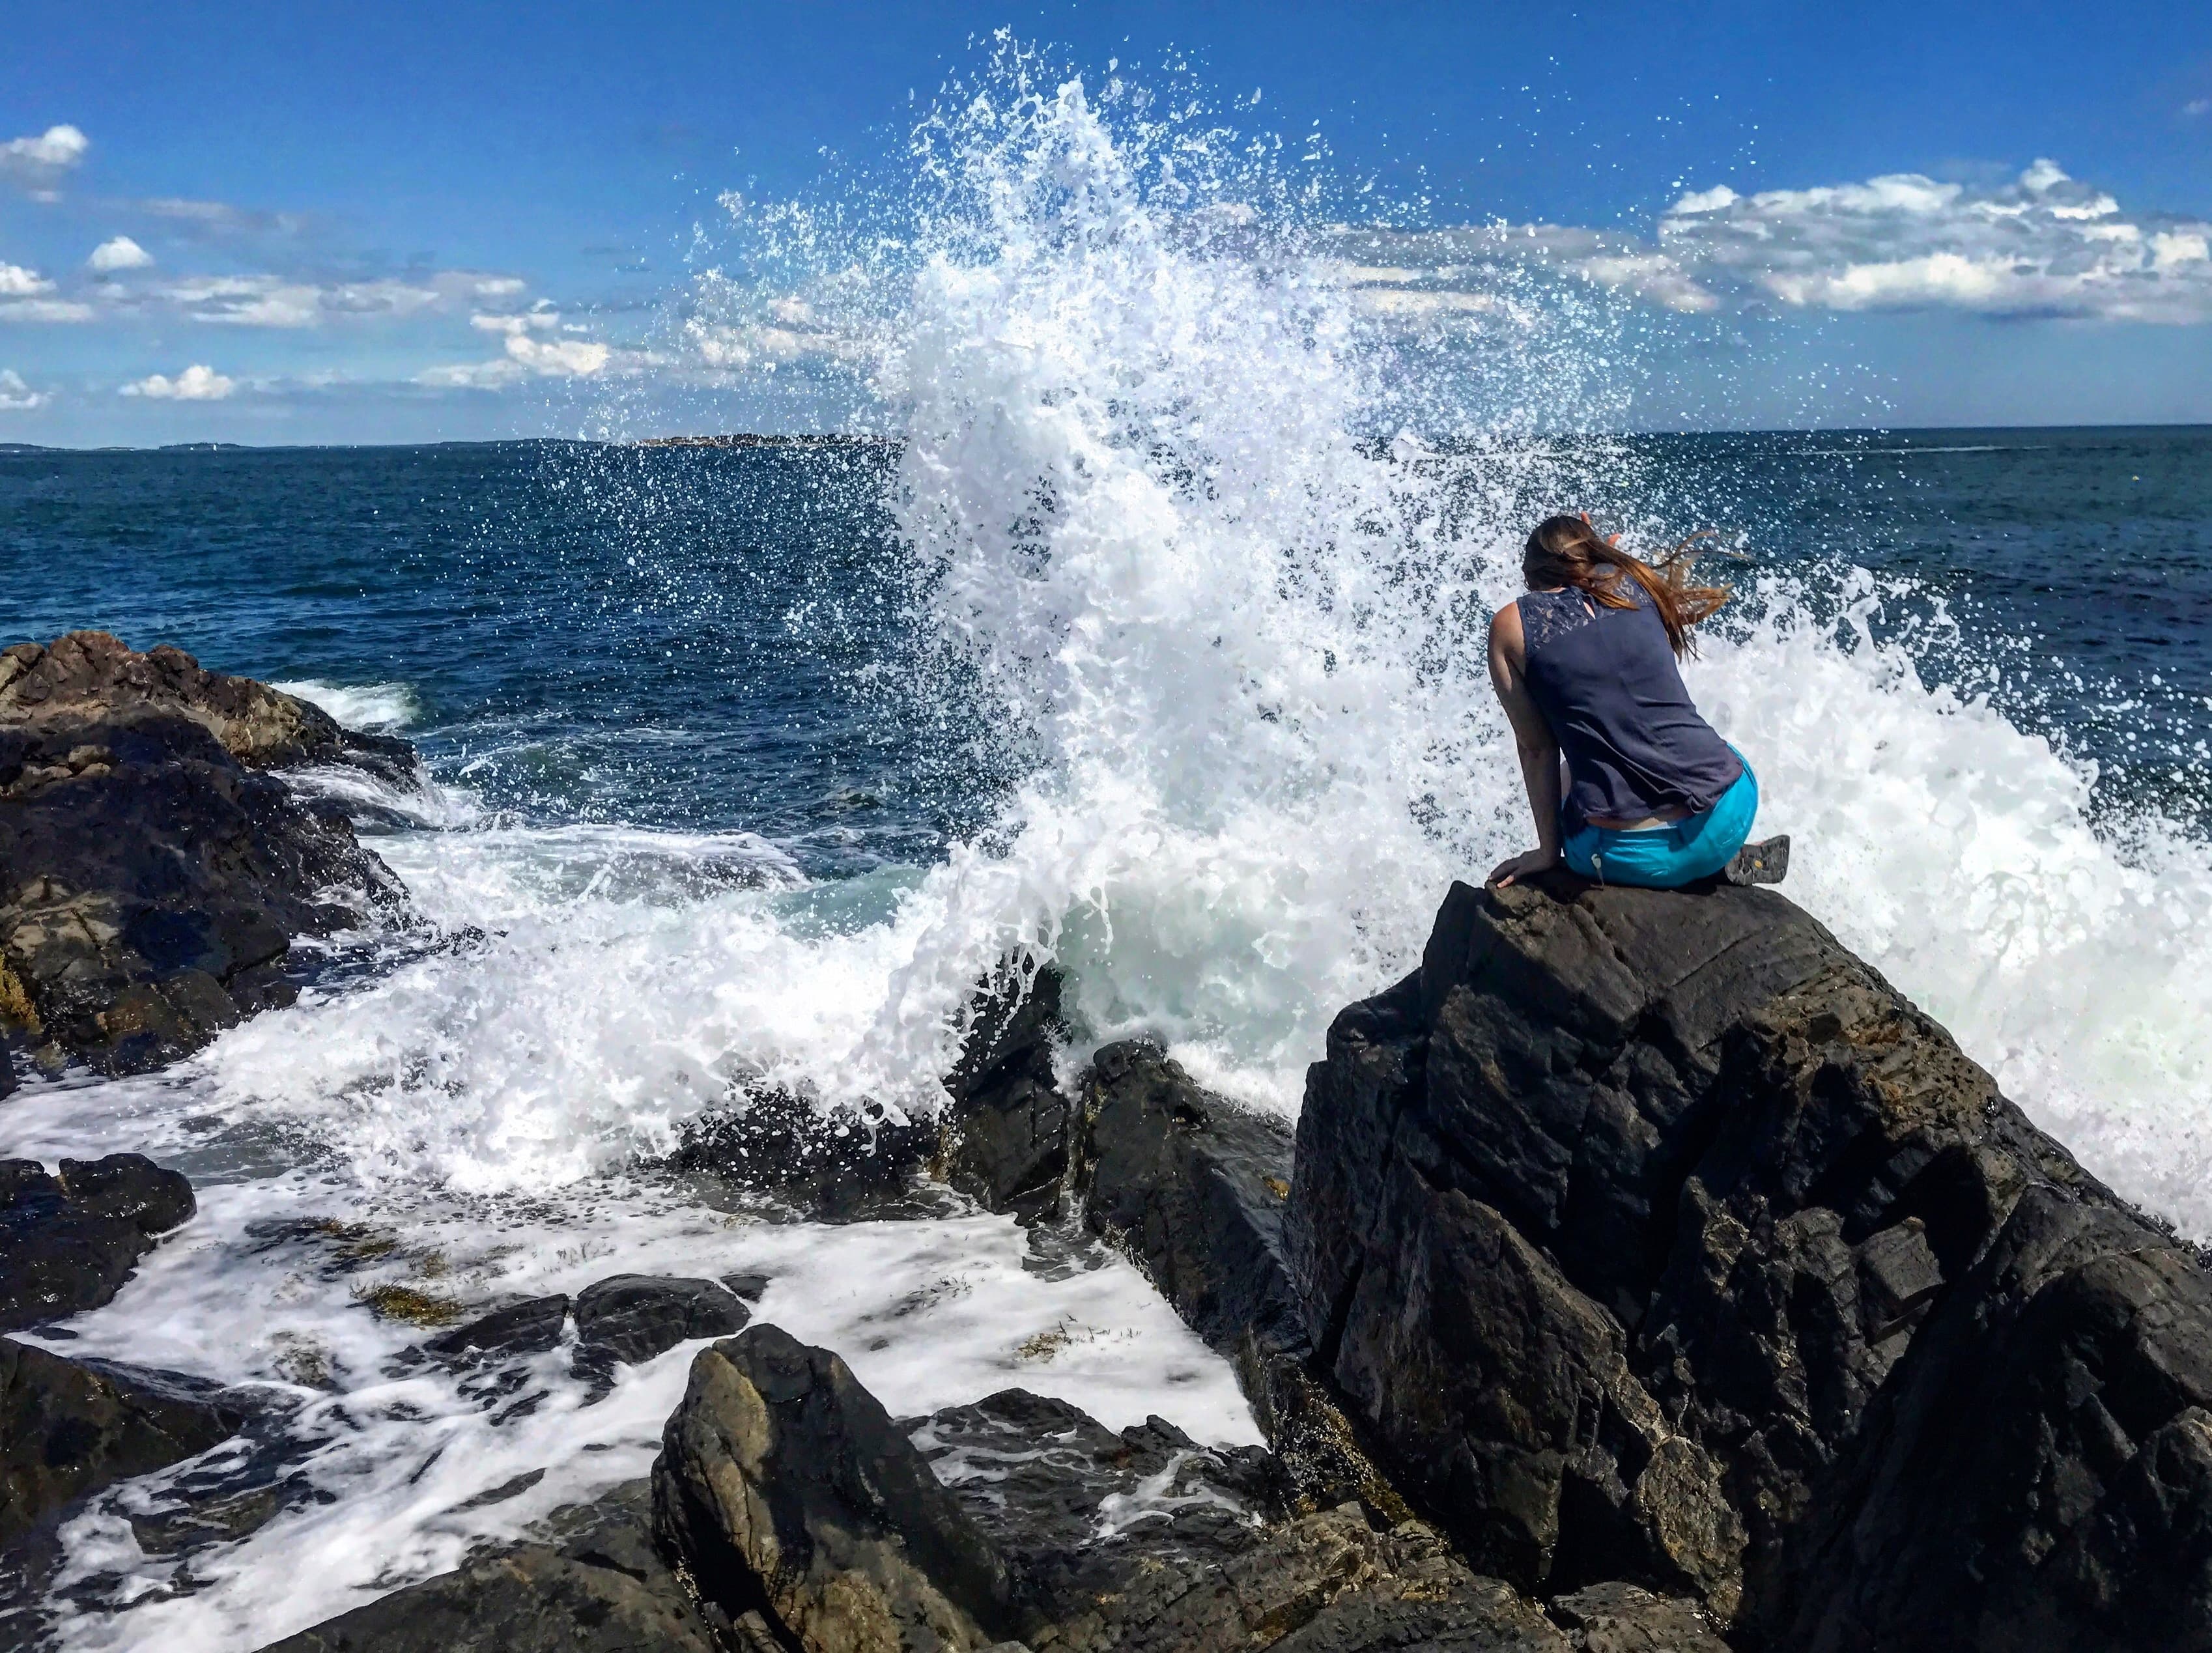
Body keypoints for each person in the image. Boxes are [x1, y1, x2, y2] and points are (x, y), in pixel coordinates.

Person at [1486, 513, 1788, 890]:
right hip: (1732, 809)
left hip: (1633, 858)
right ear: (1593, 554)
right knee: (1709, 749)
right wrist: (1608, 561)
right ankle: (1718, 854)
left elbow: (1537, 749)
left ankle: (1687, 860)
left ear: (1531, 577)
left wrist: (1548, 852)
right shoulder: (1636, 580)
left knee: (1568, 775)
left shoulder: (1509, 626)